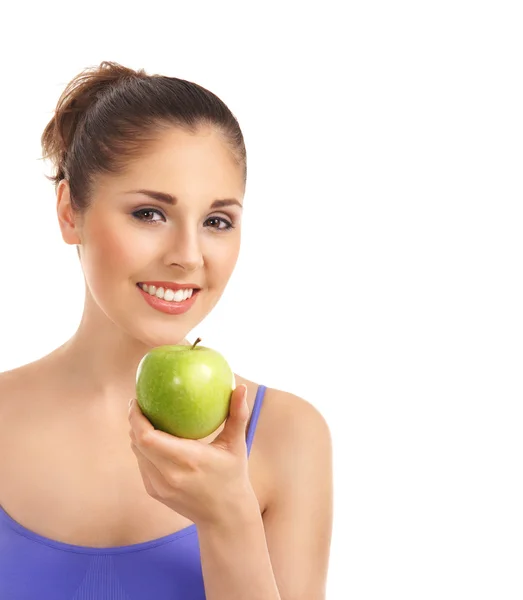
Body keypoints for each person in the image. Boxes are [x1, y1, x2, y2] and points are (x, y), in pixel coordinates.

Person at [0, 61, 333, 599]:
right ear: (69, 212)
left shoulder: (288, 438)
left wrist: (229, 520)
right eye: (150, 213)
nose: (187, 256)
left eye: (216, 221)